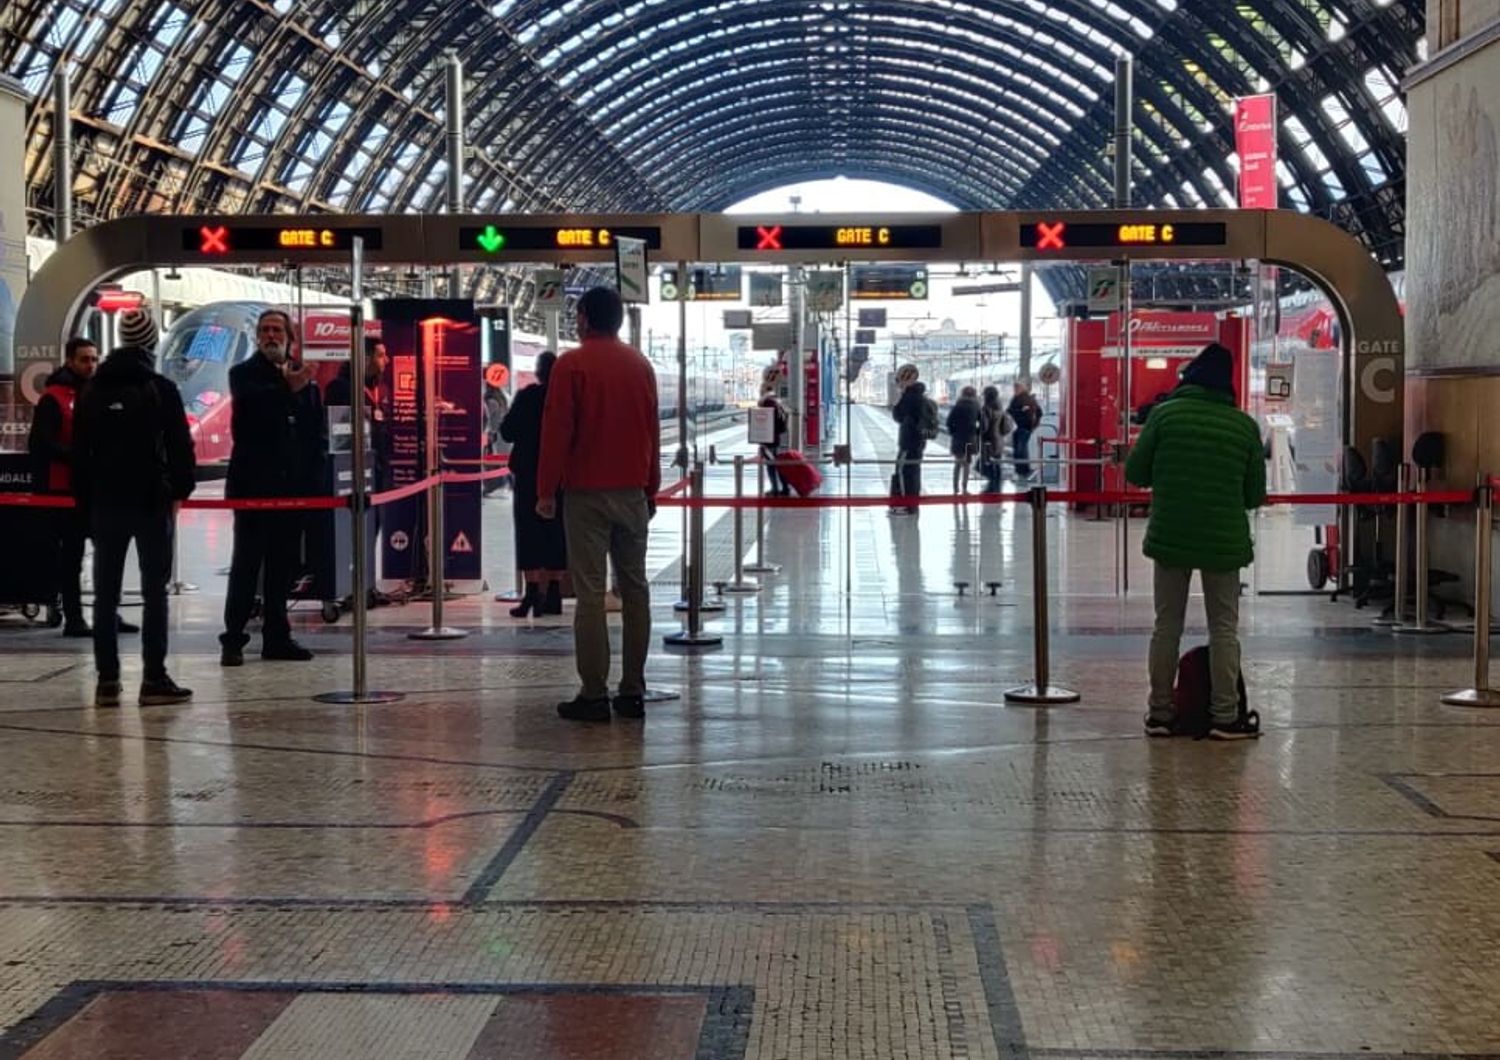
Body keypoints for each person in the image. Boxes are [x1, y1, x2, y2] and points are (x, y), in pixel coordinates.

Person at [1124, 343, 1266, 741]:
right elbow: (1255, 495)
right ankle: (1225, 716)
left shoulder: (1165, 416)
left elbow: (1136, 472)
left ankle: (1160, 715)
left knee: (1166, 625)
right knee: (1224, 628)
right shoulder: (1244, 426)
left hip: (1171, 534)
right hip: (1223, 539)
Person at [536, 287, 660, 722]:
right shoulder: (641, 366)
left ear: (585, 317)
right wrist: (651, 487)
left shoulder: (571, 364)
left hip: (586, 496)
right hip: (632, 492)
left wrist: (546, 491)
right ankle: (633, 691)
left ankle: (593, 694)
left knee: (590, 595)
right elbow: (652, 432)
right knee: (635, 590)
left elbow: (557, 433)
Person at [71, 308, 196, 707]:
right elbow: (181, 448)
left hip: (106, 504)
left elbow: (80, 456)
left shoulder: (92, 390)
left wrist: (86, 506)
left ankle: (107, 681)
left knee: (105, 593)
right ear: (151, 342)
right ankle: (153, 679)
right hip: (150, 503)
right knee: (153, 592)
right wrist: (179, 490)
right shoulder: (160, 388)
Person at [220, 308, 326, 666]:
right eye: (264, 330)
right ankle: (233, 639)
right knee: (246, 565)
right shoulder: (243, 375)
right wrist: (287, 387)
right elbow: (252, 415)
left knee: (282, 567)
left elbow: (314, 432)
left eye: (276, 330)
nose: (270, 336)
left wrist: (315, 484)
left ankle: (277, 637)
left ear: (289, 337)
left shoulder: (305, 378)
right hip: (253, 489)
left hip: (292, 490)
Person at [28, 337, 140, 638]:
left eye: (94, 359)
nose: (90, 365)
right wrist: (79, 458)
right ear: (69, 361)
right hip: (64, 490)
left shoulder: (101, 394)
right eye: (84, 360)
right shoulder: (54, 398)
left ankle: (108, 613)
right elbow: (40, 443)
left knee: (108, 553)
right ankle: (74, 618)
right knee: (72, 556)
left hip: (98, 488)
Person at [325, 337, 392, 604]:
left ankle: (366, 586)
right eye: (381, 355)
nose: (385, 361)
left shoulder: (378, 390)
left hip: (376, 469)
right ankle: (352, 587)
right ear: (364, 358)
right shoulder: (341, 388)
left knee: (372, 527)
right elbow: (338, 431)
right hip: (352, 472)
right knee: (354, 531)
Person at [500, 350, 567, 617]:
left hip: (528, 475)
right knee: (556, 533)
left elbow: (507, 431)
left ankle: (531, 594)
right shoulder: (565, 399)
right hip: (560, 476)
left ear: (538, 373)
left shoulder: (527, 396)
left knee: (529, 534)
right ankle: (553, 595)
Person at [890, 363, 930, 515]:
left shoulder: (910, 396)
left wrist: (899, 397)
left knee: (904, 472)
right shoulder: (919, 395)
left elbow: (898, 416)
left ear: (906, 380)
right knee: (913, 471)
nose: (899, 383)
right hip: (917, 442)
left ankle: (905, 505)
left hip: (909, 442)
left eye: (900, 380)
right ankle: (911, 504)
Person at [946, 385, 981, 495]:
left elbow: (949, 422)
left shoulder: (957, 406)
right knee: (966, 464)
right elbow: (982, 422)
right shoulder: (976, 406)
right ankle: (964, 488)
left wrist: (954, 432)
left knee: (957, 463)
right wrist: (976, 432)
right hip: (970, 438)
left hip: (958, 438)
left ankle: (955, 487)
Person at [1007, 378, 1043, 481]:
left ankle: (1022, 471)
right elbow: (1010, 410)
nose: (1015, 390)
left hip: (1024, 427)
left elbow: (1038, 412)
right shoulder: (1020, 399)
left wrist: (1033, 423)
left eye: (1016, 388)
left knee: (1020, 450)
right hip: (1022, 427)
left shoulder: (1025, 399)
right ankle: (1021, 470)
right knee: (1020, 449)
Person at [758, 383, 790, 497]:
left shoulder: (768, 402)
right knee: (777, 464)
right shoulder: (776, 401)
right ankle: (784, 488)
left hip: (769, 438)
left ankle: (776, 489)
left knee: (771, 465)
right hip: (775, 437)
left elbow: (766, 420)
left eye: (761, 388)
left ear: (765, 389)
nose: (759, 390)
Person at [978, 385, 1010, 494]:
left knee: (986, 464)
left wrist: (978, 430)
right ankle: (996, 487)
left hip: (988, 440)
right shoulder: (1000, 407)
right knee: (996, 464)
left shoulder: (986, 409)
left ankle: (991, 487)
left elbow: (984, 426)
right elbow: (1006, 427)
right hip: (999, 440)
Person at [483, 382, 510, 497]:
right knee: (499, 462)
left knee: (492, 462)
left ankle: (494, 486)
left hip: (494, 436)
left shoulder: (491, 402)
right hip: (502, 436)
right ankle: (501, 486)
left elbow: (487, 420)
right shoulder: (503, 398)